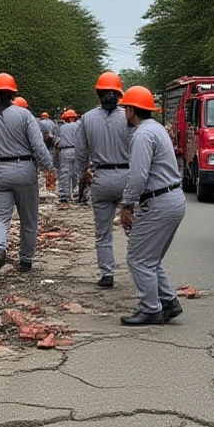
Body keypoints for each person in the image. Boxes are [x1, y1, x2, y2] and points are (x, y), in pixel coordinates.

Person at [0, 74, 55, 273]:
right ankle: (25, 259)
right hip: (25, 169)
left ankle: (0, 247)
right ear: (13, 94)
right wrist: (49, 167)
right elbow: (39, 146)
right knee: (28, 218)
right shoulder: (25, 116)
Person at [116, 86, 186, 325]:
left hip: (159, 201)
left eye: (125, 108)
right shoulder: (155, 129)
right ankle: (168, 301)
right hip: (172, 199)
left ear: (131, 110)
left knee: (138, 258)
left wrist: (126, 204)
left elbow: (138, 177)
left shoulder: (142, 135)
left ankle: (151, 309)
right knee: (151, 258)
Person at [73, 71, 132, 288]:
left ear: (98, 94)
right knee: (132, 227)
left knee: (102, 231)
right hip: (127, 176)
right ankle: (140, 269)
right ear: (119, 94)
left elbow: (81, 152)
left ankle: (107, 274)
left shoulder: (87, 119)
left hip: (101, 177)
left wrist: (83, 172)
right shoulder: (128, 117)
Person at [53, 109, 81, 206]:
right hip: (78, 150)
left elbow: (56, 141)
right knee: (77, 173)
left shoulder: (61, 128)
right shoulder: (80, 126)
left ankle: (64, 197)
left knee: (64, 174)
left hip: (65, 150)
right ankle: (78, 195)